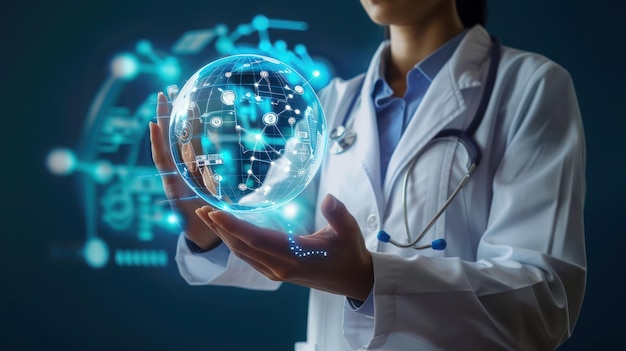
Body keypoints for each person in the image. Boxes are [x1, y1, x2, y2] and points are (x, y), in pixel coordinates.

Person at [149, 0, 587, 349]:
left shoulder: (531, 87)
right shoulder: (336, 103)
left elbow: (543, 300)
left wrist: (369, 278)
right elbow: (276, 225)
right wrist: (206, 223)